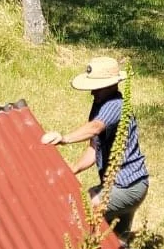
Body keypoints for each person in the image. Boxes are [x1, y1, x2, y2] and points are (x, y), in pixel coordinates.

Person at [41, 54, 149, 238]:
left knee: (88, 205)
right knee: (117, 240)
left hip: (128, 186)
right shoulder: (99, 104)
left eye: (97, 88)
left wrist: (64, 138)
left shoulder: (116, 105)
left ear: (111, 84)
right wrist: (73, 169)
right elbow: (93, 149)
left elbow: (94, 128)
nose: (93, 92)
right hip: (115, 184)